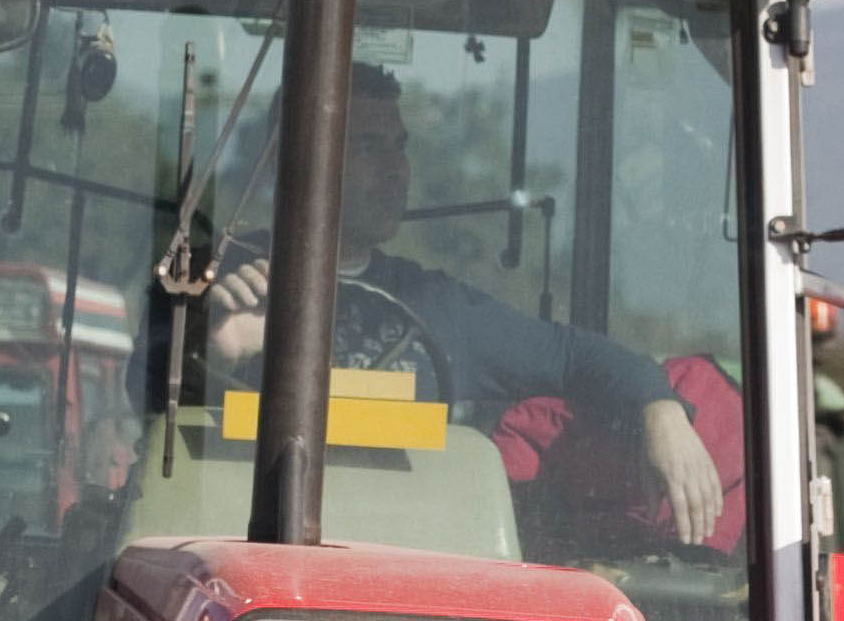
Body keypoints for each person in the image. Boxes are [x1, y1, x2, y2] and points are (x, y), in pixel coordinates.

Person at [203, 65, 726, 544]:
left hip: (400, 563)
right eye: (367, 147)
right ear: (294, 157)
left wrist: (662, 414)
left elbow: (578, 358)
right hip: (240, 550)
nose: (395, 170)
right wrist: (217, 352)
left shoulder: (435, 306)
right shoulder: (213, 285)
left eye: (398, 146)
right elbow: (140, 407)